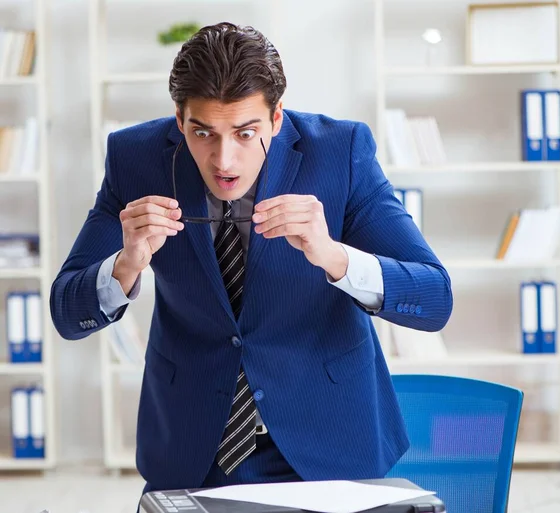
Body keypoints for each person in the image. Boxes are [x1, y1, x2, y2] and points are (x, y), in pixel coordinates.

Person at [50, 22, 452, 500]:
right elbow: (66, 313)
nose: (224, 160)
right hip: (193, 445)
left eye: (246, 133)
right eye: (203, 132)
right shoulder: (135, 158)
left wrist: (335, 258)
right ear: (179, 119)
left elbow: (434, 299)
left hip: (331, 445)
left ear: (276, 118)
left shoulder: (339, 152)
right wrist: (125, 265)